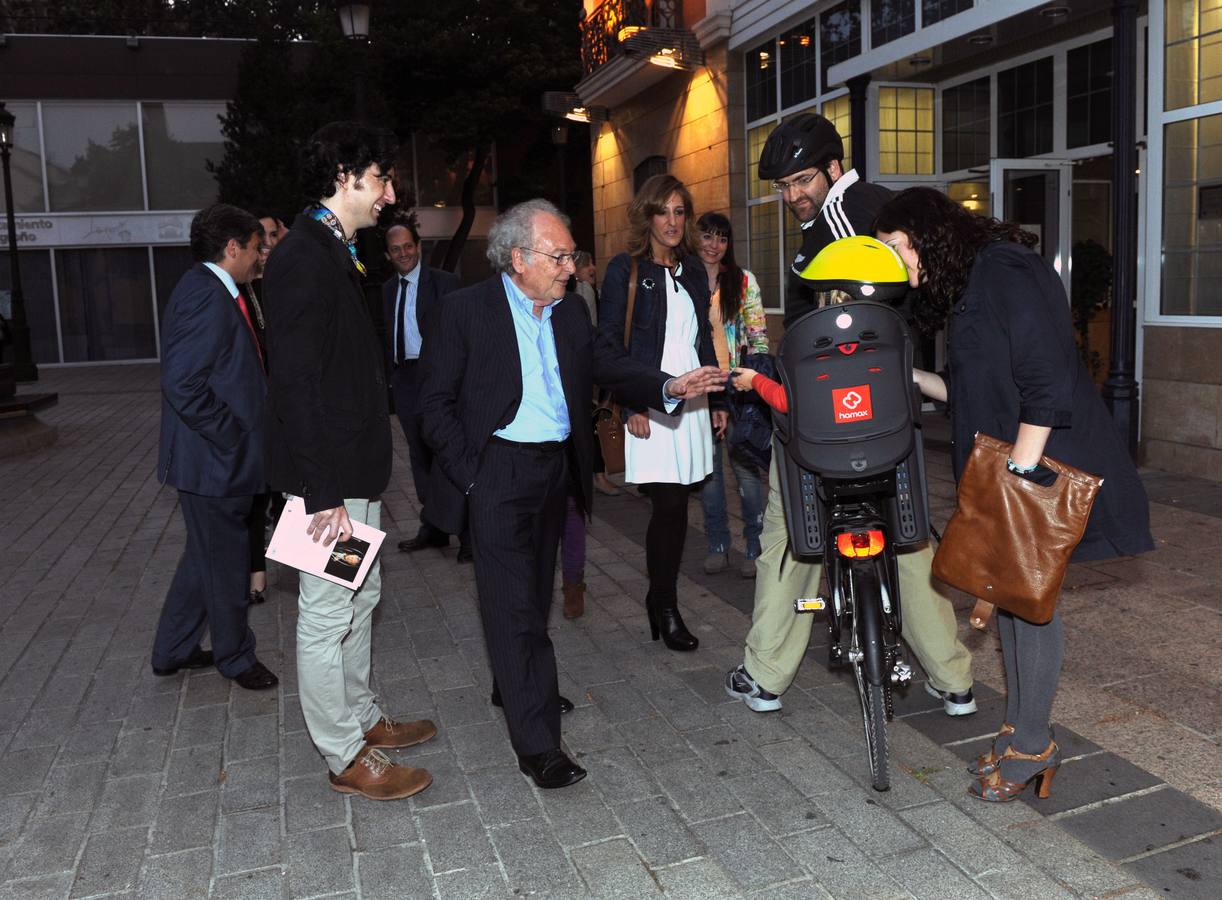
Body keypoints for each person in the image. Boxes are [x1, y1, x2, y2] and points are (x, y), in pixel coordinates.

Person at [418, 199, 724, 789]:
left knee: (533, 594)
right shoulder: (465, 312)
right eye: (559, 257)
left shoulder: (568, 315)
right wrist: (473, 476)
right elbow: (433, 405)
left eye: (571, 256)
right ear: (519, 259)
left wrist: (668, 384)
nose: (570, 268)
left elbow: (610, 364)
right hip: (496, 472)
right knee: (511, 608)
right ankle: (539, 746)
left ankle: (514, 684)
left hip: (554, 470)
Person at [874, 187, 1154, 802]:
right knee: (1011, 598)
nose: (897, 263)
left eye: (897, 247)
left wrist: (1021, 476)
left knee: (1033, 601)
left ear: (926, 233)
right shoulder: (975, 285)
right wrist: (908, 375)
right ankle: (1024, 730)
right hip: (1007, 467)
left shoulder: (1003, 267)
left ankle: (1034, 745)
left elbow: (1045, 374)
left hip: (1039, 465)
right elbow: (972, 387)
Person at [723, 118, 974, 717]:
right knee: (908, 535)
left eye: (801, 180)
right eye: (783, 186)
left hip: (830, 416)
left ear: (835, 167)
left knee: (787, 535)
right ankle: (952, 678)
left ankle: (764, 673)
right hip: (891, 417)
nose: (792, 196)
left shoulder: (843, 219)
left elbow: (844, 327)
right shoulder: (877, 209)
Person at [264, 122, 437, 802]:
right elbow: (297, 383)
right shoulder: (303, 257)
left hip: (349, 472)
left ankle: (362, 720)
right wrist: (321, 492)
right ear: (345, 175)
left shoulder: (332, 249)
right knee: (327, 610)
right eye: (381, 179)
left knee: (361, 592)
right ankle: (342, 753)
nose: (389, 194)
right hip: (327, 480)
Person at [151, 203, 278, 692]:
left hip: (216, 460)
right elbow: (182, 383)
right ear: (232, 247)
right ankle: (236, 657)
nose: (259, 254)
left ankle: (172, 650)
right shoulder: (206, 294)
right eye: (255, 246)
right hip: (214, 462)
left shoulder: (219, 289)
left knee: (203, 558)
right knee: (225, 563)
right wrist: (231, 436)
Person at [599, 174, 727, 652]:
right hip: (651, 400)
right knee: (669, 505)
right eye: (663, 211)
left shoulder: (693, 270)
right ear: (647, 216)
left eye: (680, 212)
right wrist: (634, 402)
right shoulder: (624, 269)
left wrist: (715, 398)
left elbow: (702, 339)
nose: (672, 221)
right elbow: (610, 344)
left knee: (679, 506)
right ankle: (665, 603)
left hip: (692, 398)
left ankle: (660, 598)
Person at [380, 214, 466, 558]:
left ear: (418, 247)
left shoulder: (445, 284)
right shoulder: (387, 290)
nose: (402, 254)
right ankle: (434, 527)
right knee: (419, 455)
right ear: (388, 255)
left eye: (407, 247)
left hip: (440, 380)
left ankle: (466, 531)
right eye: (395, 250)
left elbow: (462, 336)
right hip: (405, 380)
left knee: (449, 451)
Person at [694, 212, 769, 579]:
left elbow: (757, 334)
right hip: (701, 387)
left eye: (721, 238)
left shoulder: (743, 281)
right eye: (707, 236)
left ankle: (754, 546)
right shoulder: (684, 279)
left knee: (745, 470)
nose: (713, 245)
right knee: (708, 472)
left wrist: (755, 380)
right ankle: (717, 545)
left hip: (738, 385)